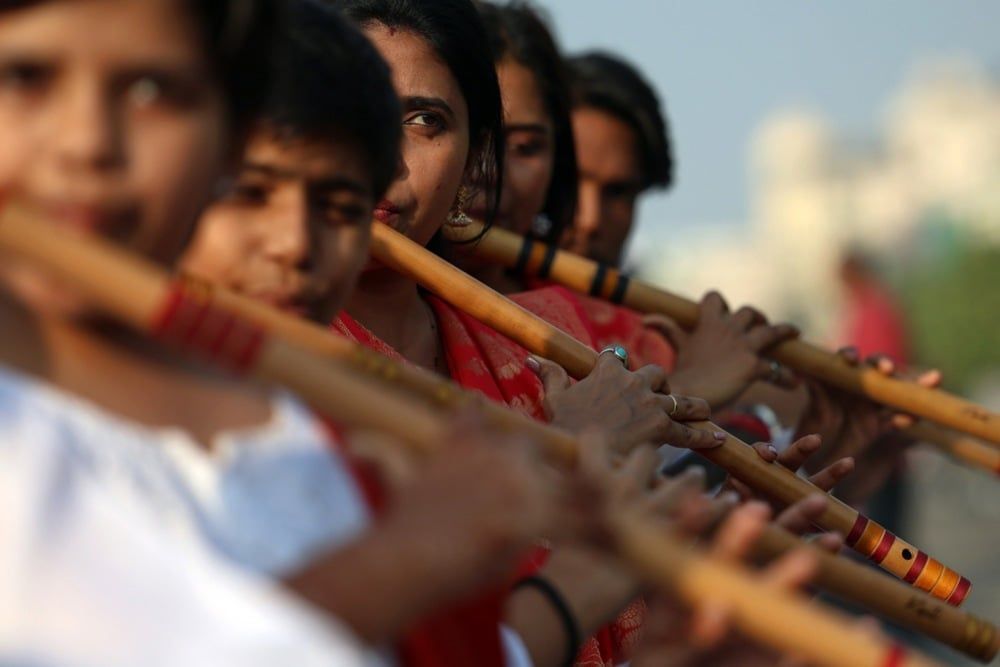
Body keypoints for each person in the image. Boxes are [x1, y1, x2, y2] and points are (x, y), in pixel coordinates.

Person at [0, 1, 562, 663]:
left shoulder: (315, 440)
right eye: (26, 76)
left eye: (155, 90)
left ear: (225, 135)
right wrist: (407, 556)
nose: (86, 142)